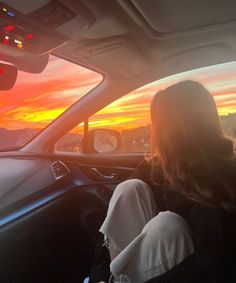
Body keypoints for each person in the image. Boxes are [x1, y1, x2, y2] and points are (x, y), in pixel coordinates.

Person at [89, 80, 236, 283]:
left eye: (157, 124)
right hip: (146, 268)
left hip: (193, 273)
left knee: (167, 225)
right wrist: (100, 273)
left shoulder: (223, 179)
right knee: (129, 189)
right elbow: (113, 226)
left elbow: (213, 267)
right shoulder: (159, 165)